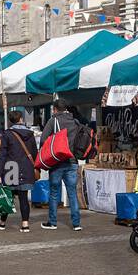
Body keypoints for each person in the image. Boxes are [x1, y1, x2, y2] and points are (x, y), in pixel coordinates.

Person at [39, 99, 83, 231]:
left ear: (55, 109)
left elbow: (42, 140)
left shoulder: (54, 121)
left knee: (54, 193)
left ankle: (52, 222)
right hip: (72, 161)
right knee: (72, 193)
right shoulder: (75, 121)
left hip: (57, 162)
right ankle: (76, 224)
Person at [0, 109, 39, 233]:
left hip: (11, 167)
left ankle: (2, 222)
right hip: (26, 167)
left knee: (9, 197)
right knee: (23, 197)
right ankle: (25, 224)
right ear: (21, 119)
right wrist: (37, 167)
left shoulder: (7, 134)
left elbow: (2, 155)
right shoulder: (30, 134)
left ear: (11, 121)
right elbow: (35, 153)